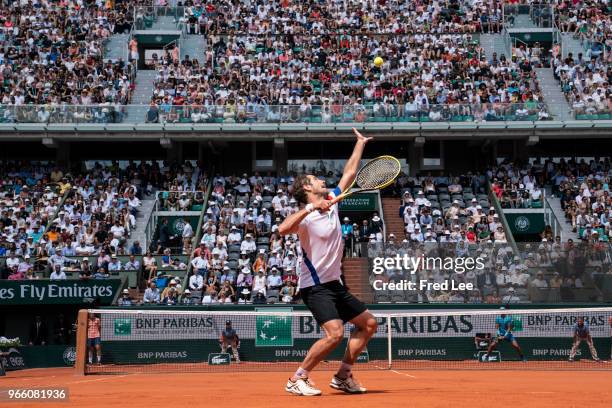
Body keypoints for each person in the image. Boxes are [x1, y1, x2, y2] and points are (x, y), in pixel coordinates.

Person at [279, 128, 377, 396]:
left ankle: (343, 376)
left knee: (368, 324)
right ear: (307, 188)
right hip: (315, 287)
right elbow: (282, 230)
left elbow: (349, 173)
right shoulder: (305, 217)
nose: (321, 179)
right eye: (315, 179)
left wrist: (359, 144)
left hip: (335, 284)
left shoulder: (333, 200)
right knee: (334, 334)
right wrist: (310, 208)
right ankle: (297, 378)